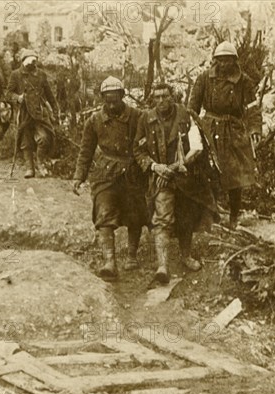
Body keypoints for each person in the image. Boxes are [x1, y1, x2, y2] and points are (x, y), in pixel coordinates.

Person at [134, 82, 219, 284]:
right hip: (160, 178)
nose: (161, 100)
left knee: (187, 218)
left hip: (185, 178)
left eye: (165, 96)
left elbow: (197, 148)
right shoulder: (146, 118)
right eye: (157, 97)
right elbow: (138, 150)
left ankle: (186, 256)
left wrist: (173, 168)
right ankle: (162, 266)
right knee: (162, 218)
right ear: (152, 99)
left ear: (172, 96)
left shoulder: (186, 116)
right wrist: (155, 167)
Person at [70, 76, 148, 280]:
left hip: (132, 171)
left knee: (135, 213)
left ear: (123, 96)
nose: (111, 104)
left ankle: (131, 255)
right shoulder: (94, 121)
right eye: (107, 100)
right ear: (103, 99)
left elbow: (147, 144)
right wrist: (79, 176)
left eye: (115, 99)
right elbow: (86, 151)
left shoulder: (137, 116)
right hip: (105, 172)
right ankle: (109, 262)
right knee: (104, 212)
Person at [188, 41, 262, 229]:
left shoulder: (243, 81)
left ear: (234, 61)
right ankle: (210, 215)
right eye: (220, 60)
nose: (224, 64)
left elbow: (252, 108)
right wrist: (192, 129)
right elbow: (192, 108)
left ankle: (234, 216)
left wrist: (254, 129)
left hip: (233, 130)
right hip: (209, 128)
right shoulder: (204, 78)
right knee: (207, 171)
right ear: (215, 61)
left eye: (228, 60)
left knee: (233, 174)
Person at [5, 49, 59, 178]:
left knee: (44, 138)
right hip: (24, 113)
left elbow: (49, 94)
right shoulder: (16, 75)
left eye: (34, 59)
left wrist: (55, 110)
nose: (32, 62)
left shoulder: (41, 74)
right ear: (23, 61)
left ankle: (40, 162)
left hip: (39, 112)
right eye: (29, 59)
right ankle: (30, 168)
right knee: (25, 141)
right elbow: (8, 94)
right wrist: (18, 98)